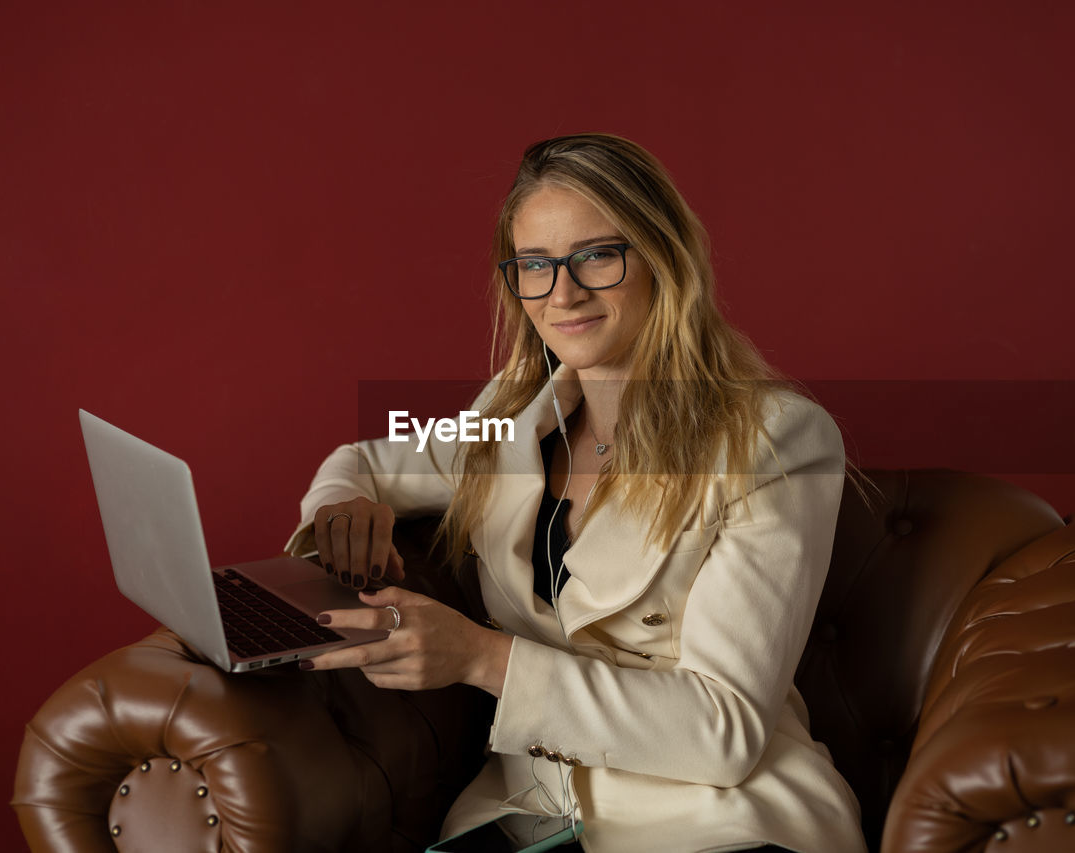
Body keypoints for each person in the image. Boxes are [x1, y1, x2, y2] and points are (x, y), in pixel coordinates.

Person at [285, 134, 866, 853]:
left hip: (718, 819)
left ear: (664, 258)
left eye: (597, 255)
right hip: (533, 812)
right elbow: (361, 461)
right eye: (535, 264)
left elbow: (725, 732)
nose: (562, 293)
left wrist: (480, 658)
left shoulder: (778, 440)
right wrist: (341, 507)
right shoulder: (510, 414)